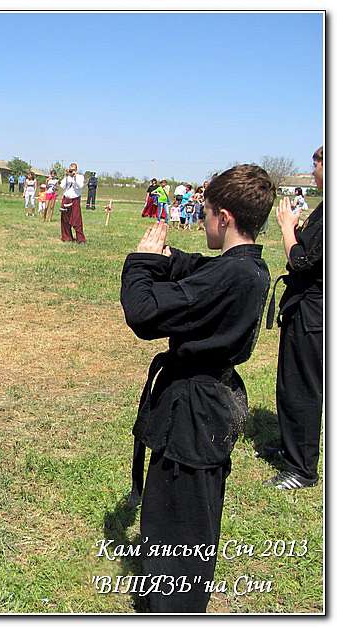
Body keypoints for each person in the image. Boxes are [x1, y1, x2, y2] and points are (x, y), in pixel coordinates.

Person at [120, 164, 275, 613]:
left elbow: (144, 312)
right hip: (204, 404)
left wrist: (141, 263)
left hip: (195, 414)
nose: (204, 220)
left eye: (206, 213)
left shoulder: (234, 278)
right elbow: (202, 270)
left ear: (223, 217)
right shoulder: (247, 267)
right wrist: (170, 259)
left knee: (182, 522)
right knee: (171, 512)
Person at [264, 146, 323, 490]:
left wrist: (287, 228)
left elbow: (301, 262)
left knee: (303, 386)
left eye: (317, 164)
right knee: (289, 382)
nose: (313, 171)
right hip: (301, 305)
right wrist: (298, 230)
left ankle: (302, 469)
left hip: (314, 311)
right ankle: (291, 448)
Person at [59, 162, 86, 244]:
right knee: (65, 219)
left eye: (73, 170)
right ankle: (67, 237)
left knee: (77, 220)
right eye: (71, 170)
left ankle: (80, 239)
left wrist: (74, 177)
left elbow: (80, 186)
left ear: (76, 170)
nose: (72, 171)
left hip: (75, 199)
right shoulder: (67, 177)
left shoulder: (80, 177)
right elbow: (62, 186)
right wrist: (67, 176)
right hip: (66, 199)